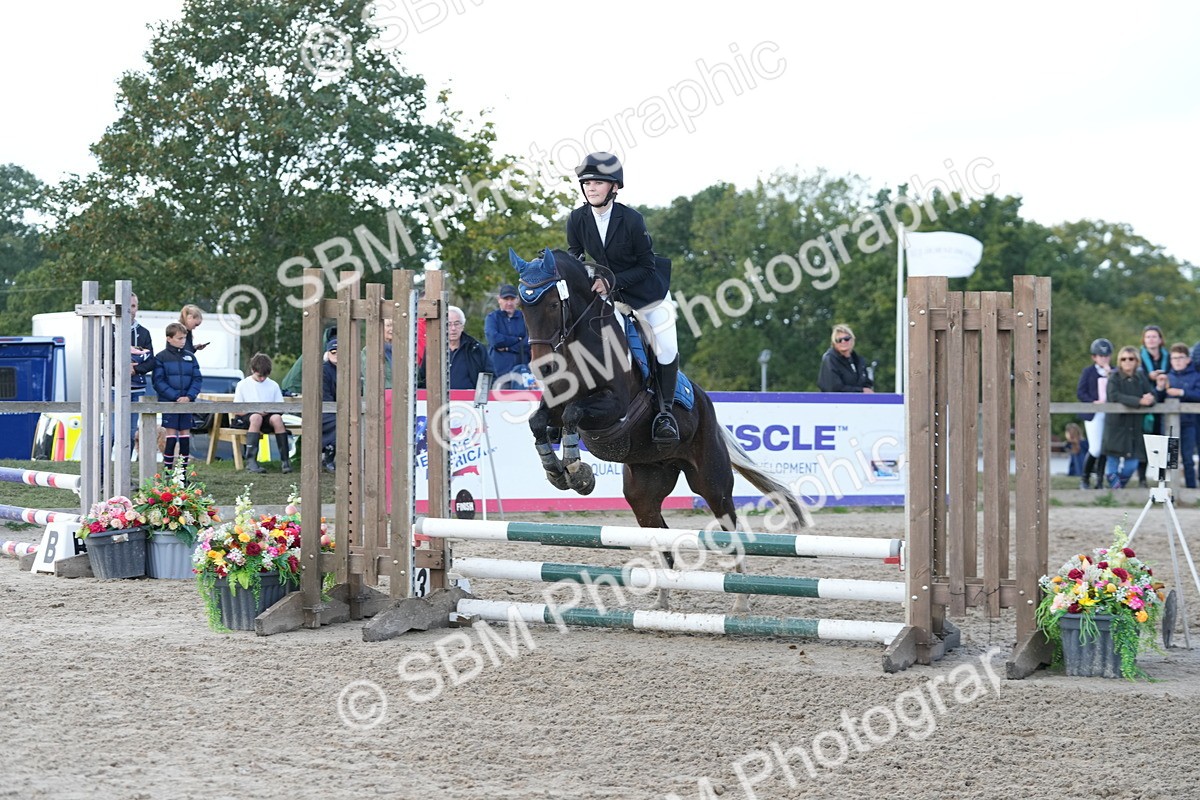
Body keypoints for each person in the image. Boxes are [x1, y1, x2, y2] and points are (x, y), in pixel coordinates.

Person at [566, 152, 680, 442]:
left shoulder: (631, 219)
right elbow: (574, 254)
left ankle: (665, 414)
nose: (590, 188)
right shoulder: (577, 218)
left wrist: (609, 280)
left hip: (647, 294)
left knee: (665, 348)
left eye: (597, 183)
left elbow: (646, 266)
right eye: (586, 183)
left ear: (614, 187)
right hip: (609, 296)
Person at [1101, 345, 1156, 489]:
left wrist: (1150, 399)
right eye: (1123, 359)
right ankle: (1114, 494)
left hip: (1134, 427)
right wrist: (1138, 401)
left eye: (1131, 358)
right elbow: (1114, 396)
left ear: (1136, 361)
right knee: (1112, 462)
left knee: (1131, 464)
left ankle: (1117, 490)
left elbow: (1151, 394)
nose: (1127, 361)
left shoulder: (1140, 377)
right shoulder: (1114, 377)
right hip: (1116, 425)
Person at [153, 322, 202, 478]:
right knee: (171, 437)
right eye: (179, 338)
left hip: (187, 404)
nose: (182, 341)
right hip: (170, 404)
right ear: (169, 338)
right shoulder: (160, 357)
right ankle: (168, 473)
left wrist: (189, 396)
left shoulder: (190, 356)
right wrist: (175, 397)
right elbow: (158, 381)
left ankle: (182, 474)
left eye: (184, 338)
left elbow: (197, 379)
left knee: (185, 437)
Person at [232, 353, 290, 475]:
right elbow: (237, 409)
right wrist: (255, 411)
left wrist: (269, 410)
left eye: (265, 376)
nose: (262, 379)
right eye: (259, 376)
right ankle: (251, 461)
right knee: (256, 417)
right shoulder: (243, 384)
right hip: (248, 418)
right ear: (253, 370)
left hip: (268, 416)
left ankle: (285, 461)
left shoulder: (273, 385)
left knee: (277, 419)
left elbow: (280, 407)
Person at [1156, 343, 1200, 488]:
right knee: (1167, 458)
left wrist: (1182, 393)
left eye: (1181, 357)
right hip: (1169, 424)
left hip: (1189, 423)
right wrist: (1160, 388)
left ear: (1188, 359)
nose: (1177, 361)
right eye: (1174, 358)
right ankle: (1164, 490)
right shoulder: (1167, 376)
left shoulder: (1196, 376)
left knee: (1188, 458)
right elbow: (1158, 399)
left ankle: (1191, 490)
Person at [417, 306, 492, 391]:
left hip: (468, 402)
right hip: (438, 401)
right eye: (448, 324)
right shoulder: (433, 349)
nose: (453, 328)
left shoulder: (476, 349)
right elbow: (423, 379)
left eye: (457, 324)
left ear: (462, 326)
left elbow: (489, 377)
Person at [1076, 338, 1112, 489]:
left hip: (1109, 413)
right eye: (1100, 356)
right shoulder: (1088, 371)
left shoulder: (1114, 371)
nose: (1103, 358)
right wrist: (1092, 401)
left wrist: (1110, 375)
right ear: (1094, 357)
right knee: (1095, 448)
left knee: (1105, 447)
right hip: (1094, 414)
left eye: (1106, 355)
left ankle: (1099, 481)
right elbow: (1081, 392)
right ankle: (1084, 478)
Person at [1137, 325, 1168, 487]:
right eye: (1148, 336)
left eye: (1154, 336)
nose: (1151, 339)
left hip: (1164, 402)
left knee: (1162, 443)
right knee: (1145, 442)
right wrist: (1148, 377)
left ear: (1160, 339)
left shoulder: (1167, 357)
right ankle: (1142, 479)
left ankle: (1161, 481)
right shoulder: (1139, 357)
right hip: (1146, 403)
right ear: (1144, 340)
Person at [485, 284, 531, 389]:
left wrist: (507, 347)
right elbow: (494, 340)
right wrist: (517, 340)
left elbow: (528, 342)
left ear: (517, 300)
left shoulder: (525, 318)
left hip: (522, 373)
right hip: (499, 374)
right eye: (506, 299)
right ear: (499, 299)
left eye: (512, 299)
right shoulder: (492, 318)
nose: (509, 303)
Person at [127, 293, 155, 451]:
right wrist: (122, 368)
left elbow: (151, 360)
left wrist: (135, 369)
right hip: (113, 389)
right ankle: (102, 471)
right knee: (111, 433)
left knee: (131, 432)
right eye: (127, 306)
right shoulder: (108, 330)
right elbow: (102, 357)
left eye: (133, 306)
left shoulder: (144, 333)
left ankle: (125, 471)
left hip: (137, 389)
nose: (130, 310)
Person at [817, 324, 875, 393]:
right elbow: (833, 388)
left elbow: (867, 384)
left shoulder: (858, 360)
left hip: (859, 402)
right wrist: (861, 390)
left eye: (846, 339)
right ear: (834, 343)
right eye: (839, 340)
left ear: (852, 339)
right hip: (836, 402)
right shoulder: (830, 359)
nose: (843, 342)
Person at [360, 318, 394, 390]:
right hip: (377, 395)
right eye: (388, 325)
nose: (392, 329)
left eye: (394, 325)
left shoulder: (400, 350)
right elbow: (372, 376)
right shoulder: (369, 350)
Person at [321, 338, 339, 473]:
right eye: (333, 352)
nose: (336, 354)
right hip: (324, 411)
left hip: (343, 411)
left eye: (339, 351)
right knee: (339, 422)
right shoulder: (323, 371)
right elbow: (325, 398)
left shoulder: (350, 369)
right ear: (328, 353)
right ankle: (329, 455)